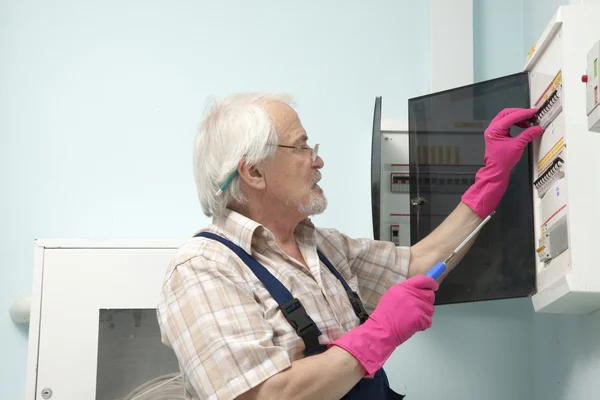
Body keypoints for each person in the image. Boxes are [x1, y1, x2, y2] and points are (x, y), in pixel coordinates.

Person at [156, 93, 543, 400]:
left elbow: (421, 264)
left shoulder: (324, 246)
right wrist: (378, 334)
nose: (318, 160)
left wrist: (490, 180)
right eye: (302, 147)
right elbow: (264, 396)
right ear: (254, 171)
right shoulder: (202, 269)